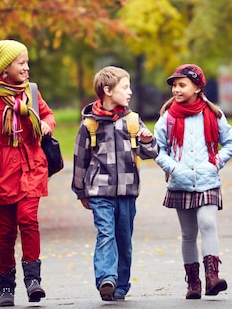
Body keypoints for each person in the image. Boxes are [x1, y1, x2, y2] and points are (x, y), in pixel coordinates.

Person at [0, 39, 56, 307]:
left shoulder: (31, 91)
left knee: (29, 220)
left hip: (31, 165)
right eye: (22, 63)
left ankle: (33, 281)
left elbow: (49, 115)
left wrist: (46, 124)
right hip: (1, 171)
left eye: (27, 63)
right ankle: (6, 286)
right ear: (5, 68)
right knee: (6, 231)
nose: (27, 68)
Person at [71, 66, 159, 301]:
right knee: (106, 234)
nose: (129, 92)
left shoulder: (132, 121)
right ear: (107, 91)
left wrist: (148, 142)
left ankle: (120, 285)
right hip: (100, 190)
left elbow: (151, 152)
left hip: (128, 191)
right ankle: (106, 279)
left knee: (124, 239)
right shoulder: (90, 124)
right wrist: (81, 192)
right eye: (125, 87)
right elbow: (80, 159)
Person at [154, 64, 232, 299]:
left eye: (182, 85)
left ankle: (213, 277)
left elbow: (231, 142)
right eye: (174, 85)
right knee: (188, 234)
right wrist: (173, 167)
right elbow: (156, 149)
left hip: (208, 180)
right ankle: (193, 283)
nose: (176, 90)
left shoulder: (213, 114)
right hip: (180, 182)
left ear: (197, 87)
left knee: (208, 224)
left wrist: (216, 163)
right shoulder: (168, 118)